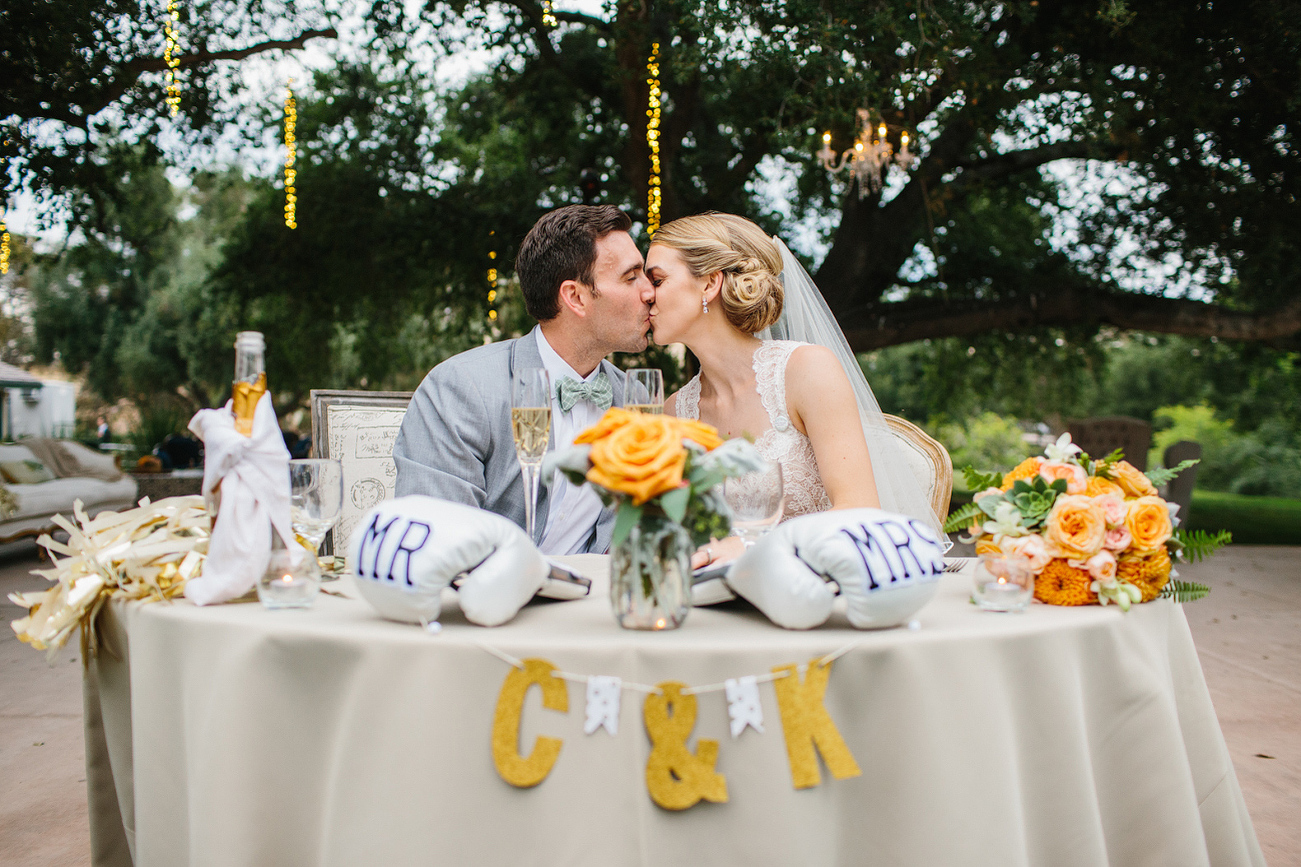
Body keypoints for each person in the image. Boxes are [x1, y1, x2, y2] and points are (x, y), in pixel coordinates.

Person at [646, 212, 939, 565]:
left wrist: (753, 546)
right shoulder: (676, 410)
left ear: (709, 283)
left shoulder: (806, 370)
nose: (645, 294)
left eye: (657, 279)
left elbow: (860, 508)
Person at [394, 205, 655, 555]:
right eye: (631, 277)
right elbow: (436, 537)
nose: (650, 292)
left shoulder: (636, 399)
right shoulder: (461, 388)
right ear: (575, 297)